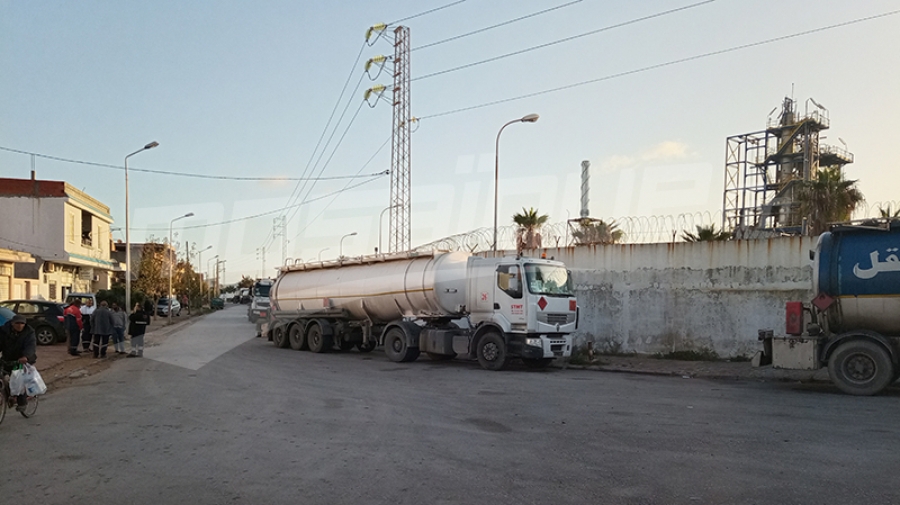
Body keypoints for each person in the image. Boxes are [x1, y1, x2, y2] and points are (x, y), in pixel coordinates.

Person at [0, 315, 37, 412]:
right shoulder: (3, 331)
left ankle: (22, 402)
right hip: (7, 358)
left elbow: (31, 345)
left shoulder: (29, 332)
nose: (20, 326)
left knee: (19, 380)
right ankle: (6, 393)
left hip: (23, 359)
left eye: (22, 324)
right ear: (12, 323)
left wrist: (26, 356)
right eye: (17, 323)